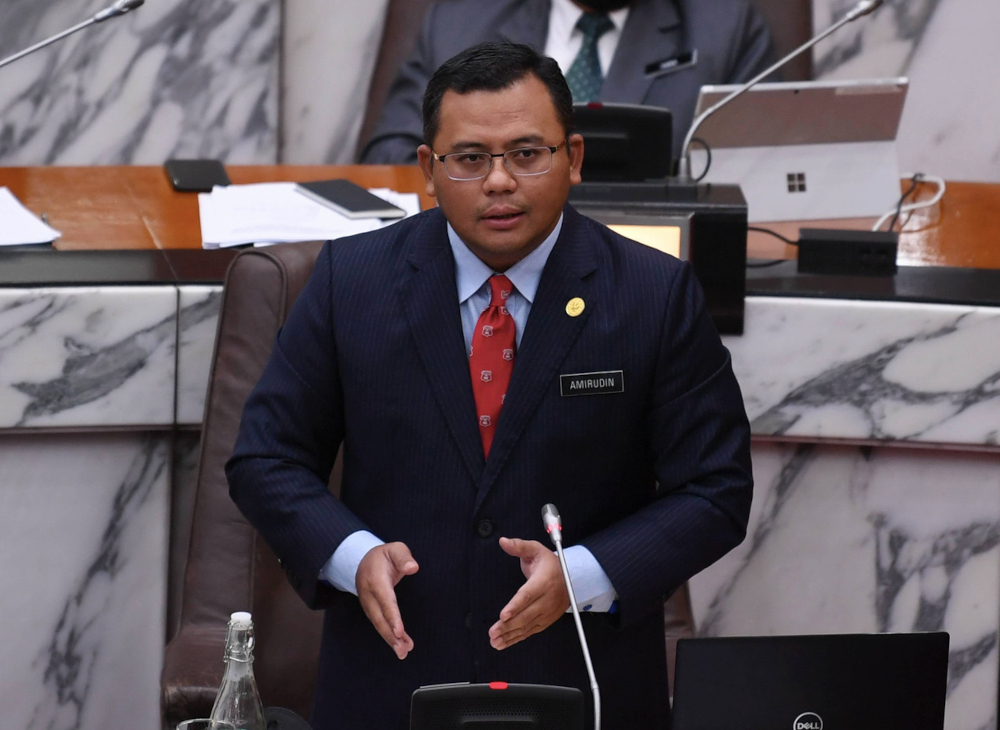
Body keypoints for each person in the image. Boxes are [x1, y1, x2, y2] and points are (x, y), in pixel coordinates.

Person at [228, 41, 752, 730]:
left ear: (574, 159)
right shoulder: (350, 283)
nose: (500, 181)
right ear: (428, 168)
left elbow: (717, 489)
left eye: (528, 154)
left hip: (580, 684)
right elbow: (265, 458)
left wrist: (584, 574)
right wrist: (354, 556)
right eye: (471, 159)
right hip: (391, 683)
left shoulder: (653, 295)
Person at [360, 0, 775, 164]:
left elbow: (764, 172)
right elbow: (389, 155)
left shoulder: (725, 27)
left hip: (645, 264)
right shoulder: (460, 19)